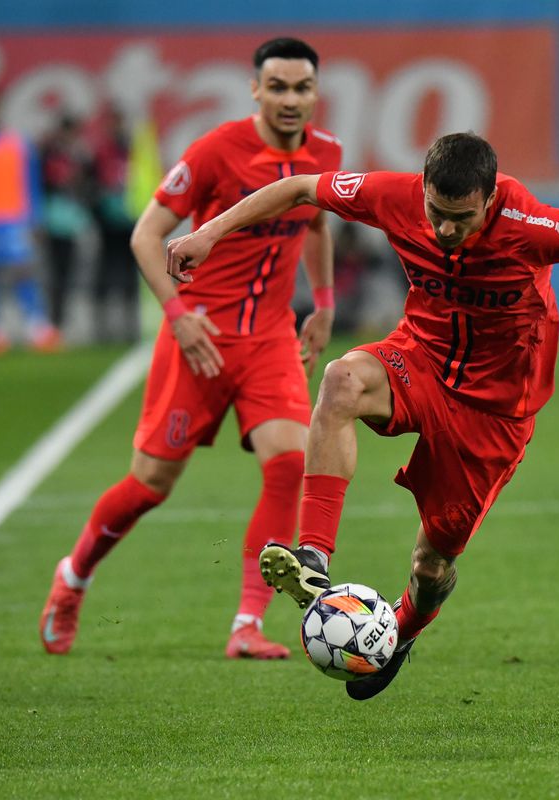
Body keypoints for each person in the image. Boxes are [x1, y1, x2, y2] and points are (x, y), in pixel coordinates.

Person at [165, 131, 559, 700]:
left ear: (490, 200)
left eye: (460, 219)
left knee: (431, 565)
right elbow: (297, 188)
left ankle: (397, 634)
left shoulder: (533, 224)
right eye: (436, 213)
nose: (444, 229)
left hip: (494, 414)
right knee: (341, 380)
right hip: (421, 357)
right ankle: (314, 552)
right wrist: (209, 234)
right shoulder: (394, 196)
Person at [38, 37, 341, 660]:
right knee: (150, 484)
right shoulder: (215, 151)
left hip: (270, 340)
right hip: (199, 339)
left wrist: (326, 301)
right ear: (254, 90)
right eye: (277, 87)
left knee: (288, 464)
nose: (290, 99)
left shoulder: (326, 153)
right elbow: (148, 236)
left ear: (315, 92)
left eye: (301, 87)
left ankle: (247, 625)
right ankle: (73, 579)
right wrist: (176, 317)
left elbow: (314, 221)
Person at [0, 88, 57, 353]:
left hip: (14, 219)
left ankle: (35, 325)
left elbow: (31, 183)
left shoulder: (17, 144)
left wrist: (34, 217)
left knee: (24, 272)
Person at [87, 105, 141, 343]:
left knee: (131, 272)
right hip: (108, 223)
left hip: (131, 219)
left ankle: (130, 325)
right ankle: (103, 327)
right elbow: (90, 184)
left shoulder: (133, 150)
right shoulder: (101, 152)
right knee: (106, 271)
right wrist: (98, 211)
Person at [38, 113, 93, 336]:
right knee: (55, 274)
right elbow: (42, 185)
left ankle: (63, 320)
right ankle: (55, 322)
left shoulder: (78, 156)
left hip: (72, 222)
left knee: (70, 273)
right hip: (53, 222)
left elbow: (87, 184)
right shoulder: (49, 154)